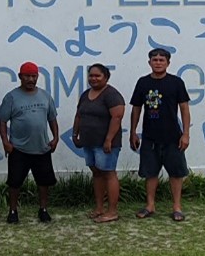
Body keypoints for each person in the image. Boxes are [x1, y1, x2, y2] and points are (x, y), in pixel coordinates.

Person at [128, 47, 192, 222]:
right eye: (154, 60)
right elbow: (136, 108)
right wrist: (133, 131)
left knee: (176, 173)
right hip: (149, 137)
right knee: (150, 173)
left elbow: (184, 109)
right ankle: (150, 205)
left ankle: (177, 207)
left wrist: (185, 134)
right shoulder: (143, 83)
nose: (158, 63)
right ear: (149, 63)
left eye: (161, 60)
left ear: (168, 63)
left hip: (173, 137)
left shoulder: (176, 83)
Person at [0, 62, 60, 224]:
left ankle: (43, 209)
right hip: (18, 148)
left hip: (42, 148)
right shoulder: (11, 97)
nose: (31, 79)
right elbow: (2, 121)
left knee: (44, 182)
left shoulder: (45, 96)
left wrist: (55, 137)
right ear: (20, 77)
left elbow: (52, 118)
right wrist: (5, 142)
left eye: (34, 76)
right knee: (15, 182)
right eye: (27, 76)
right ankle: (13, 211)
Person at [71, 63, 125, 223]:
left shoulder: (112, 95)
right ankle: (99, 208)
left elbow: (117, 117)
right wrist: (75, 134)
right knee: (97, 173)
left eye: (97, 76)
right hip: (89, 142)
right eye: (91, 76)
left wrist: (108, 139)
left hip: (106, 144)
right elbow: (78, 115)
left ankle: (112, 211)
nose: (93, 78)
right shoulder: (85, 94)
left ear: (106, 77)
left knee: (108, 173)